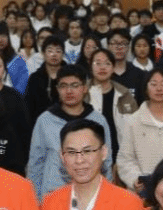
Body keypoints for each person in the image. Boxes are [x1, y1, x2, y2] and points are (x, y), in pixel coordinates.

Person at [27, 65, 113, 201]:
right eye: (63, 86)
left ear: (85, 88)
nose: (69, 91)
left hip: (91, 196)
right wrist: (34, 201)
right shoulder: (45, 120)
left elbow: (106, 162)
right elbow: (36, 164)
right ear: (57, 89)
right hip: (52, 195)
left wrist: (107, 197)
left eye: (74, 85)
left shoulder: (98, 120)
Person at [86, 48, 137, 161]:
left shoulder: (124, 94)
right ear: (90, 67)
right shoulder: (83, 93)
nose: (102, 67)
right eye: (97, 63)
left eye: (107, 63)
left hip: (120, 157)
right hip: (88, 156)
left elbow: (135, 129)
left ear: (113, 68)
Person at [26, 36, 66, 120]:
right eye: (50, 51)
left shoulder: (71, 76)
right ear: (43, 54)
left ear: (63, 54)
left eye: (58, 51)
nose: (54, 54)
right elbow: (29, 107)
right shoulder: (35, 78)